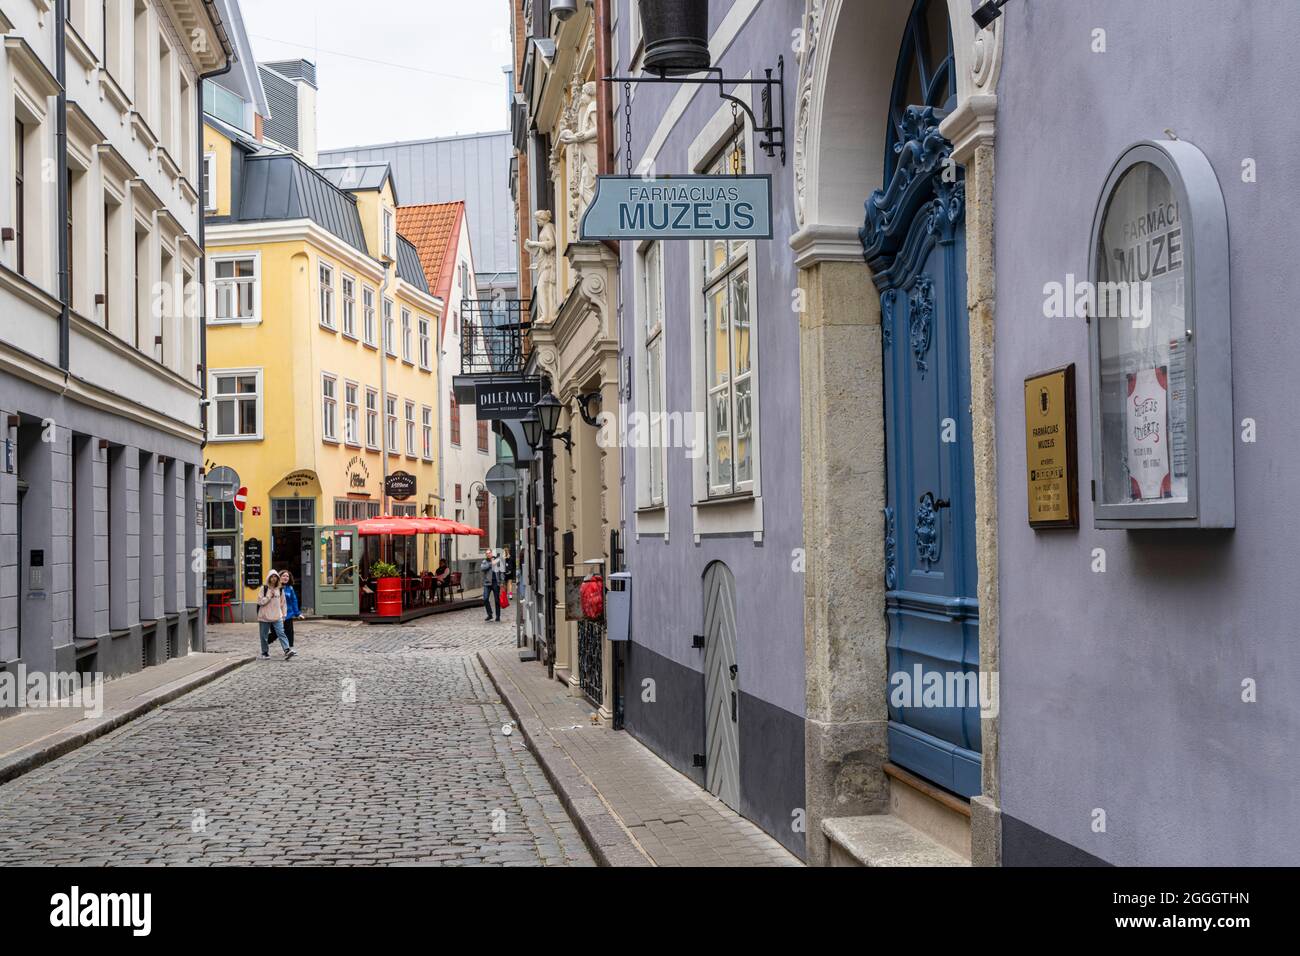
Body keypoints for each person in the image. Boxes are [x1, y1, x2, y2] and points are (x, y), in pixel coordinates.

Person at [256, 571, 296, 660]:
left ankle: (287, 650)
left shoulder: (280, 589)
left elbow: (283, 603)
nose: (273, 578)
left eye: (275, 577)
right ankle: (265, 652)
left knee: (281, 633)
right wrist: (269, 596)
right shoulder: (264, 588)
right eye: (272, 576)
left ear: (278, 578)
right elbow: (260, 602)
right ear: (269, 578)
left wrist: (284, 614)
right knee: (264, 635)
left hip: (277, 616)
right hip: (264, 616)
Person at [279, 570, 302, 648]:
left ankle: (289, 648)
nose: (286, 578)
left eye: (287, 576)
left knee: (289, 631)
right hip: (277, 614)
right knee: (276, 633)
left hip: (288, 613)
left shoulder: (290, 588)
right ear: (280, 577)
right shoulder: (276, 587)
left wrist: (297, 613)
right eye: (284, 576)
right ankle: (264, 646)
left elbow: (294, 601)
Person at [481, 550, 501, 622]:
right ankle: (490, 614)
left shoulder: (497, 560)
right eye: (487, 553)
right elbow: (483, 568)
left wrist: (502, 581)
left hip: (495, 582)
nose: (488, 554)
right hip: (487, 583)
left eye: (489, 553)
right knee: (485, 598)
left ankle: (498, 616)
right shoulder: (485, 561)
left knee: (497, 600)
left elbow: (501, 570)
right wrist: (491, 564)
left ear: (492, 553)